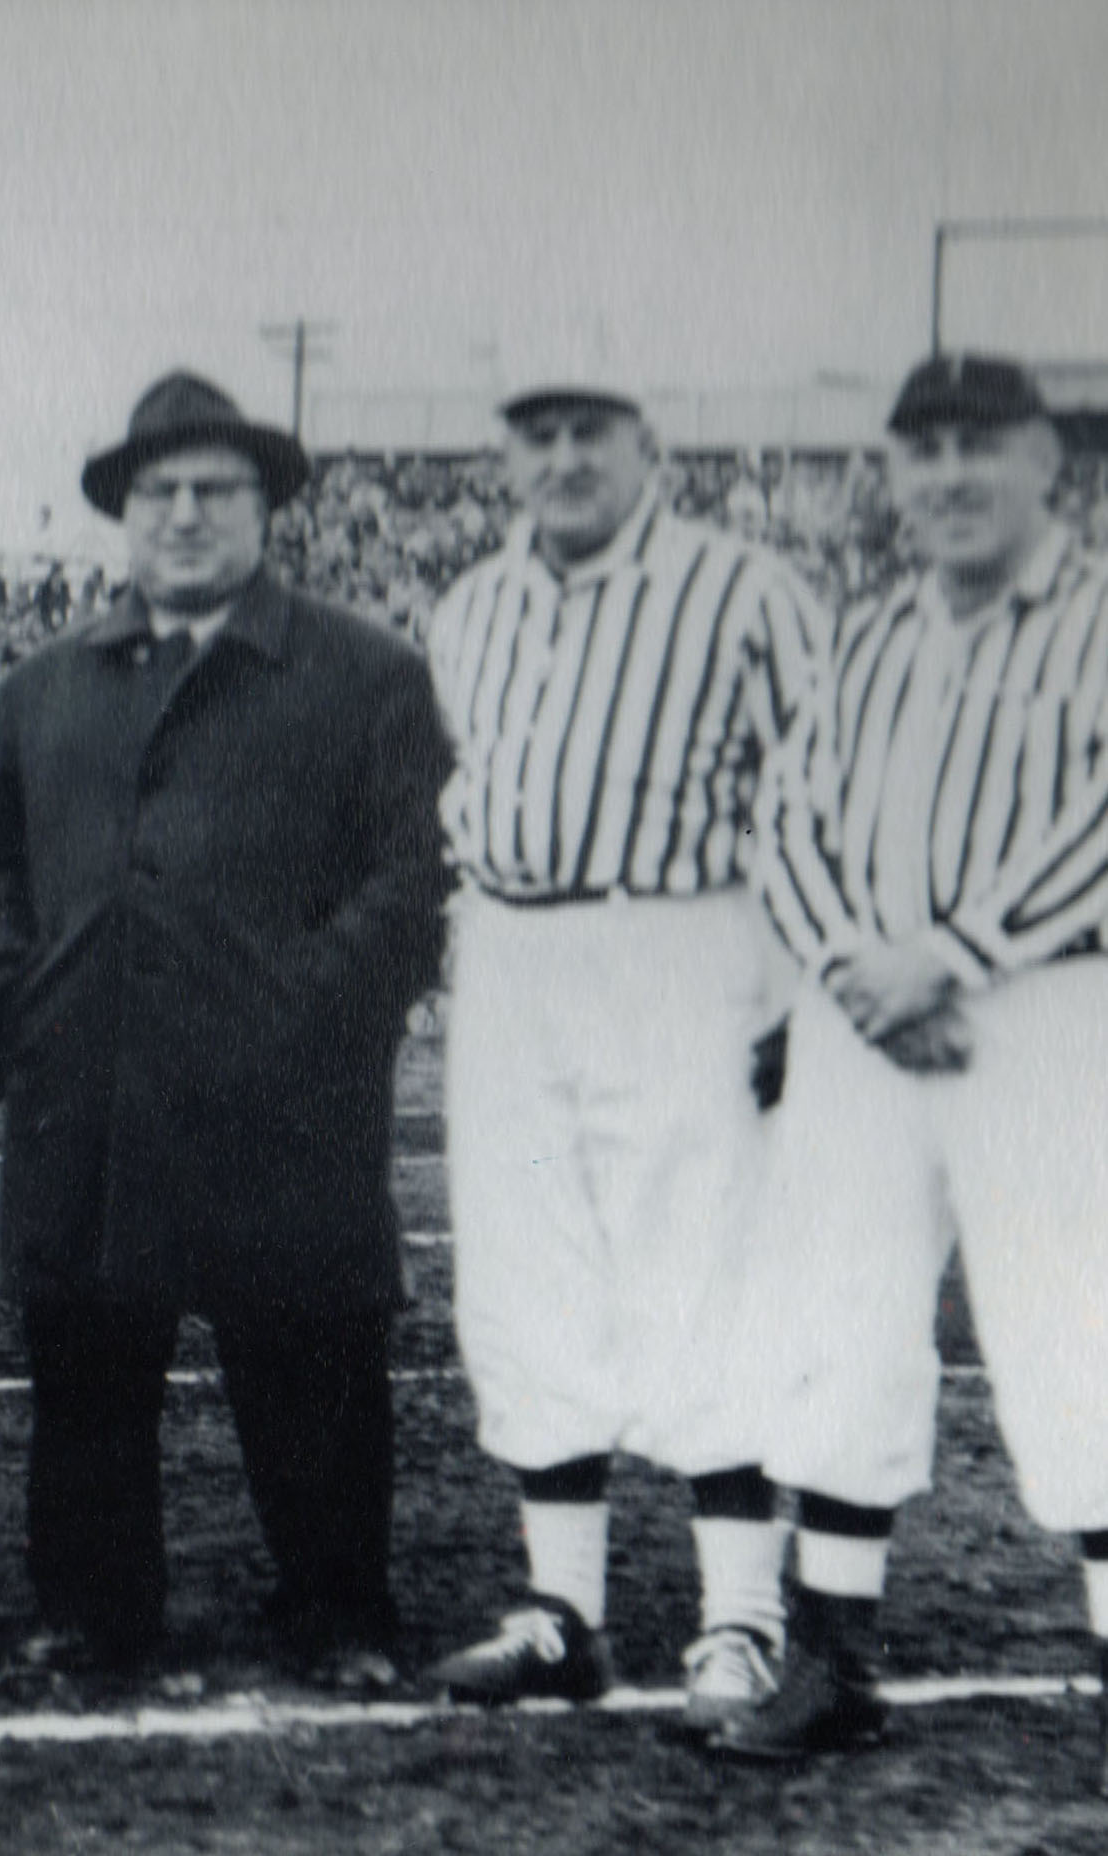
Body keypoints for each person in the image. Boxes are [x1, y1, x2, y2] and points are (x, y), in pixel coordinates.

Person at [0, 371, 452, 1689]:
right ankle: (92, 1614)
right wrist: (15, 989)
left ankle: (338, 1613)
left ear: (267, 506)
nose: (181, 515)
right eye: (155, 492)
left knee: (310, 1368)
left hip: (284, 1095)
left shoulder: (366, 674)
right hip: (87, 1090)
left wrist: (306, 1007)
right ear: (120, 513)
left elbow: (409, 880)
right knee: (88, 1377)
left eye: (212, 490)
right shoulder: (47, 684)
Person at [416, 368, 829, 1731]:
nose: (563, 456)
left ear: (648, 439)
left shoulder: (742, 587)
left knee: (702, 1264)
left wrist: (797, 988)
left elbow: (816, 796)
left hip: (679, 942)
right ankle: (563, 1618)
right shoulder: (470, 603)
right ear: (505, 453)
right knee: (529, 1269)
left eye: (589, 429)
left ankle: (736, 1625)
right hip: (516, 953)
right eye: (536, 432)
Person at [714, 355, 1108, 1778]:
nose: (946, 476)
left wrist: (947, 952)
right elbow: (785, 819)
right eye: (919, 450)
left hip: (1048, 1013)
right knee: (836, 1318)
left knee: (1077, 1324)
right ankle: (830, 1661)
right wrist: (853, 975)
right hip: (862, 1020)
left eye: (977, 447)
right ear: (888, 476)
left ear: (1045, 463)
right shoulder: (867, 631)